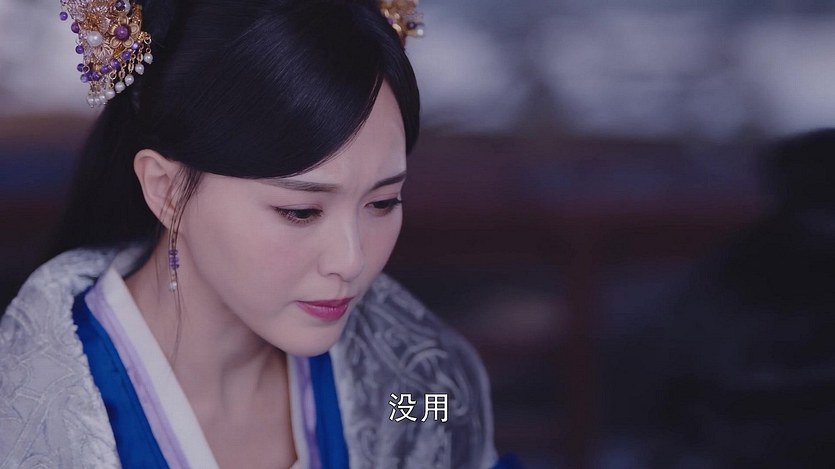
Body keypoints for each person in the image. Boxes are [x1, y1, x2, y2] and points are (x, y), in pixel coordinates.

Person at [0, 1, 505, 467]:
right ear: (166, 191)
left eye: (383, 202)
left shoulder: (412, 381)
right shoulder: (34, 418)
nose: (351, 260)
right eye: (301, 212)